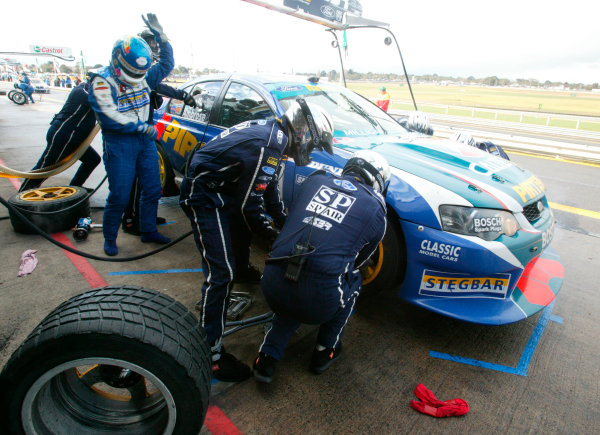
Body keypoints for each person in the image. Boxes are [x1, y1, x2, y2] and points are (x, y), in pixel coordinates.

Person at [180, 99, 334, 382]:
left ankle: (242, 269)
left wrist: (284, 221)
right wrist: (274, 236)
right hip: (205, 195)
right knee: (220, 274)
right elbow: (248, 208)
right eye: (313, 144)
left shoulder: (275, 136)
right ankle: (210, 352)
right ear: (304, 132)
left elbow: (268, 186)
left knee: (240, 236)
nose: (311, 150)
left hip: (223, 190)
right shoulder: (270, 144)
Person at [253, 150, 390, 384]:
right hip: (318, 301)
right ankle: (325, 350)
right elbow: (357, 263)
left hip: (272, 281)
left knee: (293, 286)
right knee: (353, 281)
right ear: (377, 180)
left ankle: (266, 357)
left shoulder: (315, 179)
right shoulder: (376, 207)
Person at [88, 13, 173, 256]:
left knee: (153, 187)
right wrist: (141, 127)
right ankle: (110, 238)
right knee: (120, 194)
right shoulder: (102, 81)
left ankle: (148, 230)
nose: (137, 79)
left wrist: (163, 38)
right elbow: (109, 115)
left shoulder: (145, 74)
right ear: (117, 60)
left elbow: (166, 65)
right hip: (119, 143)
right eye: (132, 74)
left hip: (144, 142)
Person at [121, 28, 198, 236]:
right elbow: (163, 69)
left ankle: (142, 218)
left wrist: (182, 95)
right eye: (152, 45)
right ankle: (130, 220)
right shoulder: (132, 72)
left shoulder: (141, 73)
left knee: (148, 182)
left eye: (156, 45)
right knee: (136, 182)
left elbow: (158, 85)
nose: (154, 50)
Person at [19, 80, 101, 192]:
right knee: (45, 168)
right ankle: (22, 196)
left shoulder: (92, 93)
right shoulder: (81, 90)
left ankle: (75, 188)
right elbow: (99, 103)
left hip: (76, 138)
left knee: (93, 159)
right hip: (65, 135)